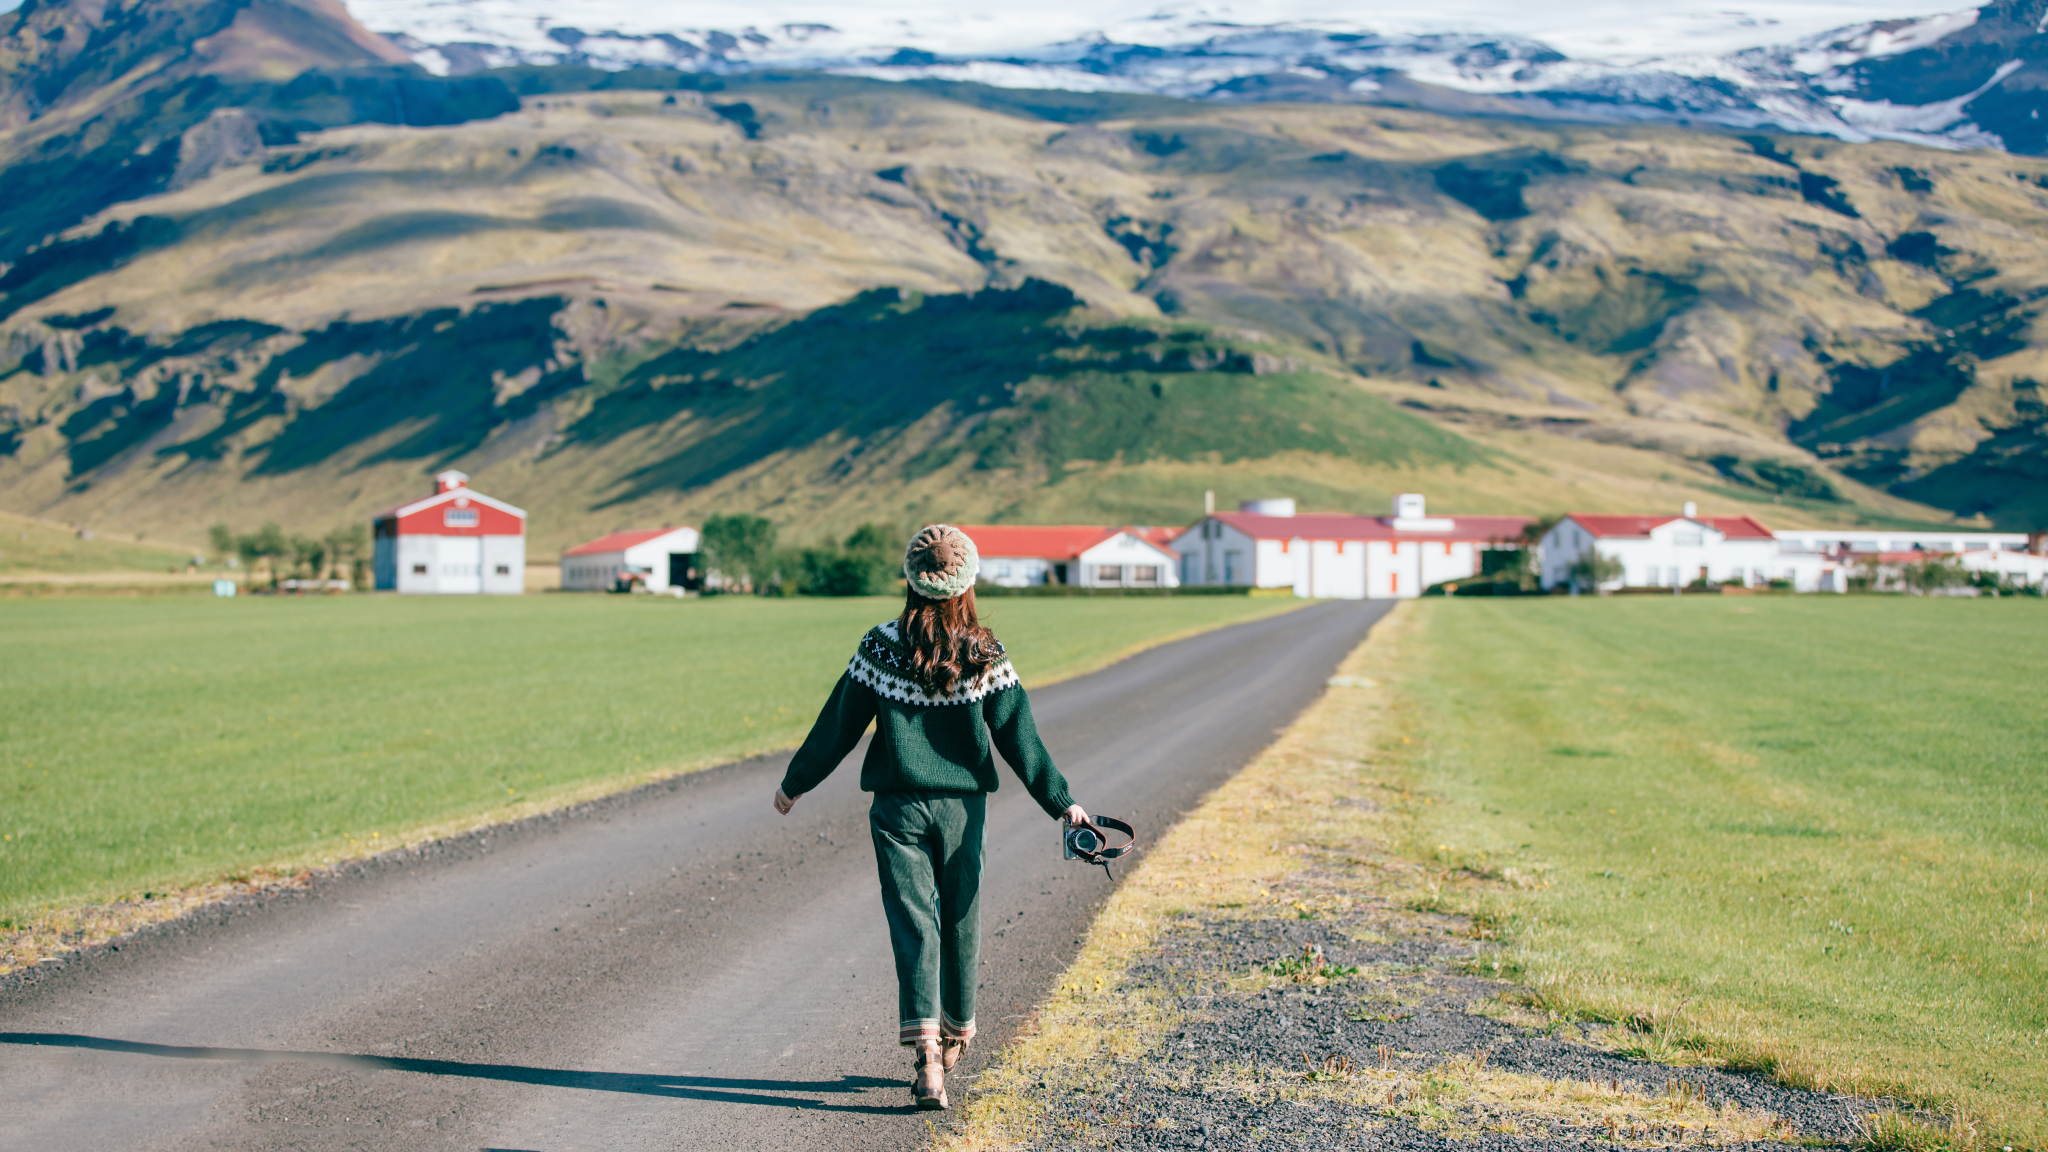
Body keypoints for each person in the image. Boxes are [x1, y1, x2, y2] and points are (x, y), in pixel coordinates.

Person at [771, 524, 1096, 1111]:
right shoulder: (983, 651)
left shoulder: (878, 646)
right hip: (963, 812)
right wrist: (1063, 803)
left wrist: (796, 783)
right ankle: (954, 1035)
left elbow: (837, 726)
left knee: (914, 925)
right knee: (962, 920)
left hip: (896, 808)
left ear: (911, 580)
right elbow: (1021, 739)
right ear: (967, 584)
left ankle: (925, 1063)